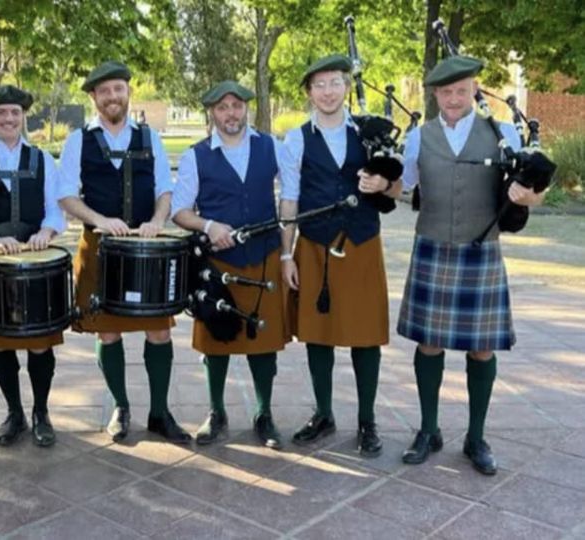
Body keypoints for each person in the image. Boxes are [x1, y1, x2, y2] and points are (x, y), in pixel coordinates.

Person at [394, 56, 544, 475]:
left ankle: (476, 437)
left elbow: (534, 194)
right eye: (446, 92)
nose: (454, 99)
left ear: (474, 89)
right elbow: (400, 187)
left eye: (462, 90)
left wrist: (526, 196)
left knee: (482, 347)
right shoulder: (418, 137)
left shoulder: (503, 133)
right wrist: (377, 181)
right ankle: (428, 430)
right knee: (428, 342)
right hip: (432, 246)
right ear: (435, 95)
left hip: (482, 251)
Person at [58, 61, 190, 443]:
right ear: (94, 97)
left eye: (118, 89)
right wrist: (99, 219)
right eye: (104, 91)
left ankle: (160, 412)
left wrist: (157, 220)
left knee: (159, 331)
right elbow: (67, 194)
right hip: (99, 247)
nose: (112, 96)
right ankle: (120, 406)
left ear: (128, 91)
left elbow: (166, 188)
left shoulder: (150, 137)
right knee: (109, 332)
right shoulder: (77, 141)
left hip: (146, 248)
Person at [281, 55, 400, 456]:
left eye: (334, 83)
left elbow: (397, 190)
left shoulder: (370, 133)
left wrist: (383, 181)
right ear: (309, 92)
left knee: (365, 337)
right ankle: (324, 413)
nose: (328, 92)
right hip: (313, 244)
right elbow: (290, 199)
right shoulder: (296, 138)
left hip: (362, 241)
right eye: (319, 85)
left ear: (346, 87)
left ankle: (367, 420)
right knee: (318, 334)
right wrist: (286, 255)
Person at [172, 81, 297, 448]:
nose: (231, 113)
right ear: (212, 112)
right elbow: (180, 211)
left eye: (237, 106)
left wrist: (287, 253)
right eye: (223, 107)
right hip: (217, 263)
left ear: (247, 109)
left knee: (265, 342)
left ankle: (264, 413)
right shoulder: (197, 155)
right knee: (215, 341)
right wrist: (209, 226)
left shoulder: (272, 147)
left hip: (264, 257)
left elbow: (289, 200)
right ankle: (216, 412)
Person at [0, 84, 67, 447]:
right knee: (0, 343)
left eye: (15, 113)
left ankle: (41, 412)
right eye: (1, 112)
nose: (8, 119)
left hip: (35, 262)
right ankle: (14, 412)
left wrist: (47, 232)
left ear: (23, 117)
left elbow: (55, 208)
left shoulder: (41, 159)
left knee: (39, 342)